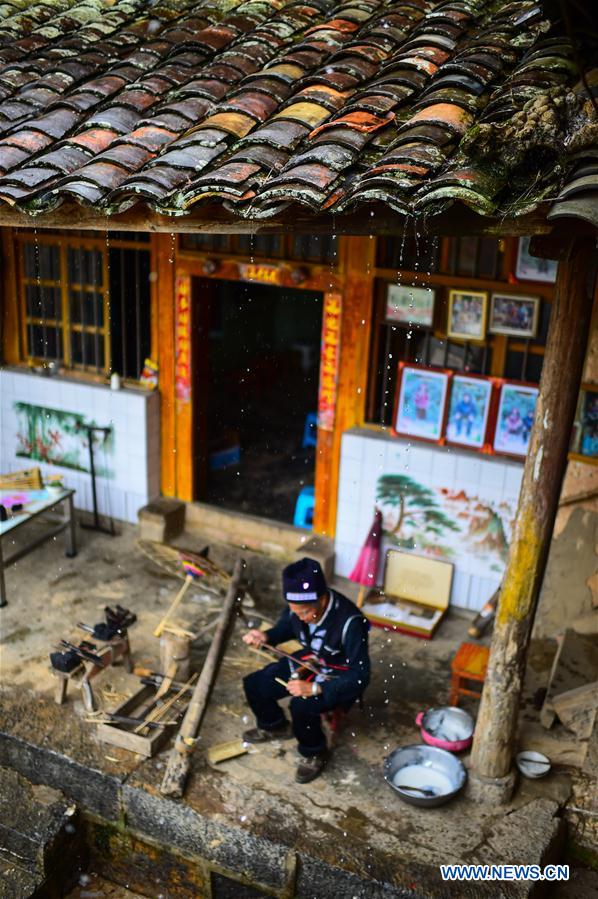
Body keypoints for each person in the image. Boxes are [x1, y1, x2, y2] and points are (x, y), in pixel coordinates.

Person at [242, 557, 370, 784]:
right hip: (311, 660)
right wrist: (266, 636)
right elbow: (286, 627)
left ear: (322, 599)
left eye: (305, 613)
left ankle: (314, 752)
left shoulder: (351, 623)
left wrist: (314, 688)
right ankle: (275, 726)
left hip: (337, 674)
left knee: (302, 706)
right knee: (255, 683)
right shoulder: (298, 607)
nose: (300, 618)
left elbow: (360, 675)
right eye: (295, 612)